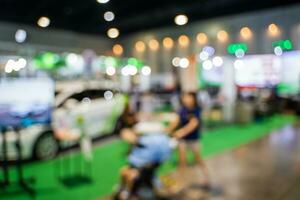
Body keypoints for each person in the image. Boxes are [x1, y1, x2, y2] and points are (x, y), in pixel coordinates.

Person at [115, 128, 173, 200]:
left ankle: (127, 192)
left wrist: (140, 169)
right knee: (123, 171)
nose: (126, 139)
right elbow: (133, 159)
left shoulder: (147, 142)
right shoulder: (135, 145)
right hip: (138, 167)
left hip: (145, 169)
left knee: (131, 176)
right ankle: (123, 189)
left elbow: (154, 161)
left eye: (127, 136)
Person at [168, 92, 210, 186]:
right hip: (183, 140)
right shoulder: (182, 109)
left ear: (193, 99)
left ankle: (206, 177)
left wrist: (181, 132)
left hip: (194, 139)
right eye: (184, 97)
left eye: (188, 97)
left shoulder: (196, 110)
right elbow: (176, 121)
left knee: (198, 159)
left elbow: (193, 124)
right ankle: (181, 182)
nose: (186, 99)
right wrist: (168, 129)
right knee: (182, 161)